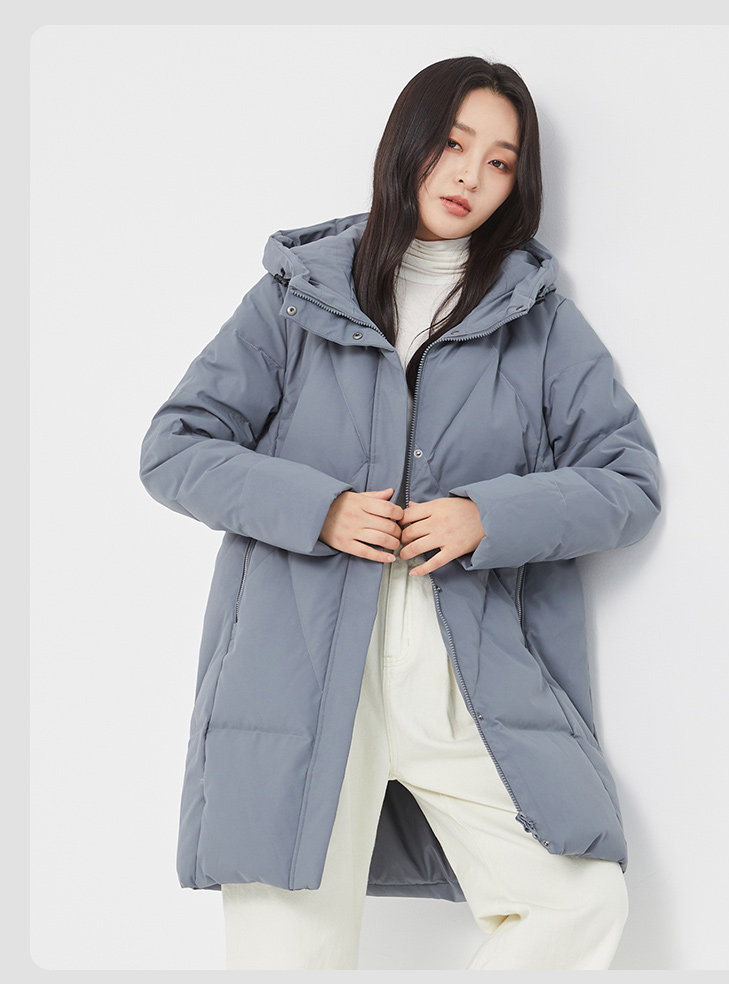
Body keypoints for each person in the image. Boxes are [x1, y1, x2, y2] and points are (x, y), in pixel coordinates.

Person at [139, 56, 662, 970]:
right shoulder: (298, 298)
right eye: (454, 145)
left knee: (578, 901)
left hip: (463, 683)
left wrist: (487, 517)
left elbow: (628, 483)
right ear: (407, 143)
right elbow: (174, 448)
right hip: (298, 679)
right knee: (287, 957)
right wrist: (321, 509)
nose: (470, 176)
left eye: (499, 162)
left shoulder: (537, 321)